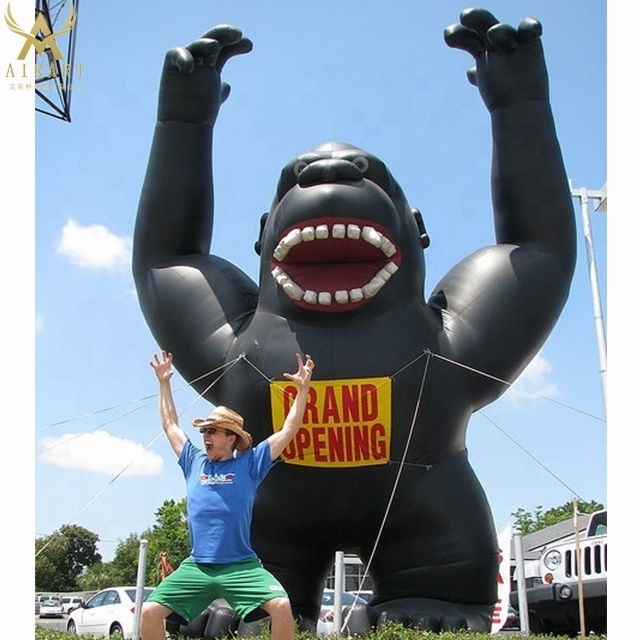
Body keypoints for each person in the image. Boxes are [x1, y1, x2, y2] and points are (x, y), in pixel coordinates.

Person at [140, 350, 315, 640]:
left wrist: (303, 389)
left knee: (281, 606)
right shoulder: (193, 461)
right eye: (205, 431)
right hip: (198, 565)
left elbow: (288, 429)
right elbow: (170, 424)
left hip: (241, 567)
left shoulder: (250, 464)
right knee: (149, 612)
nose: (206, 436)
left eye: (213, 431)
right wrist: (163, 383)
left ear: (231, 437)